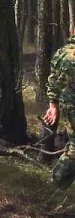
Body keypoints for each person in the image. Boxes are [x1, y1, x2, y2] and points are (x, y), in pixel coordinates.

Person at [43, 31, 75, 188]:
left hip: (68, 107)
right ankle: (56, 186)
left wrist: (53, 105)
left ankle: (55, 187)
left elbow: (53, 81)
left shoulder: (61, 53)